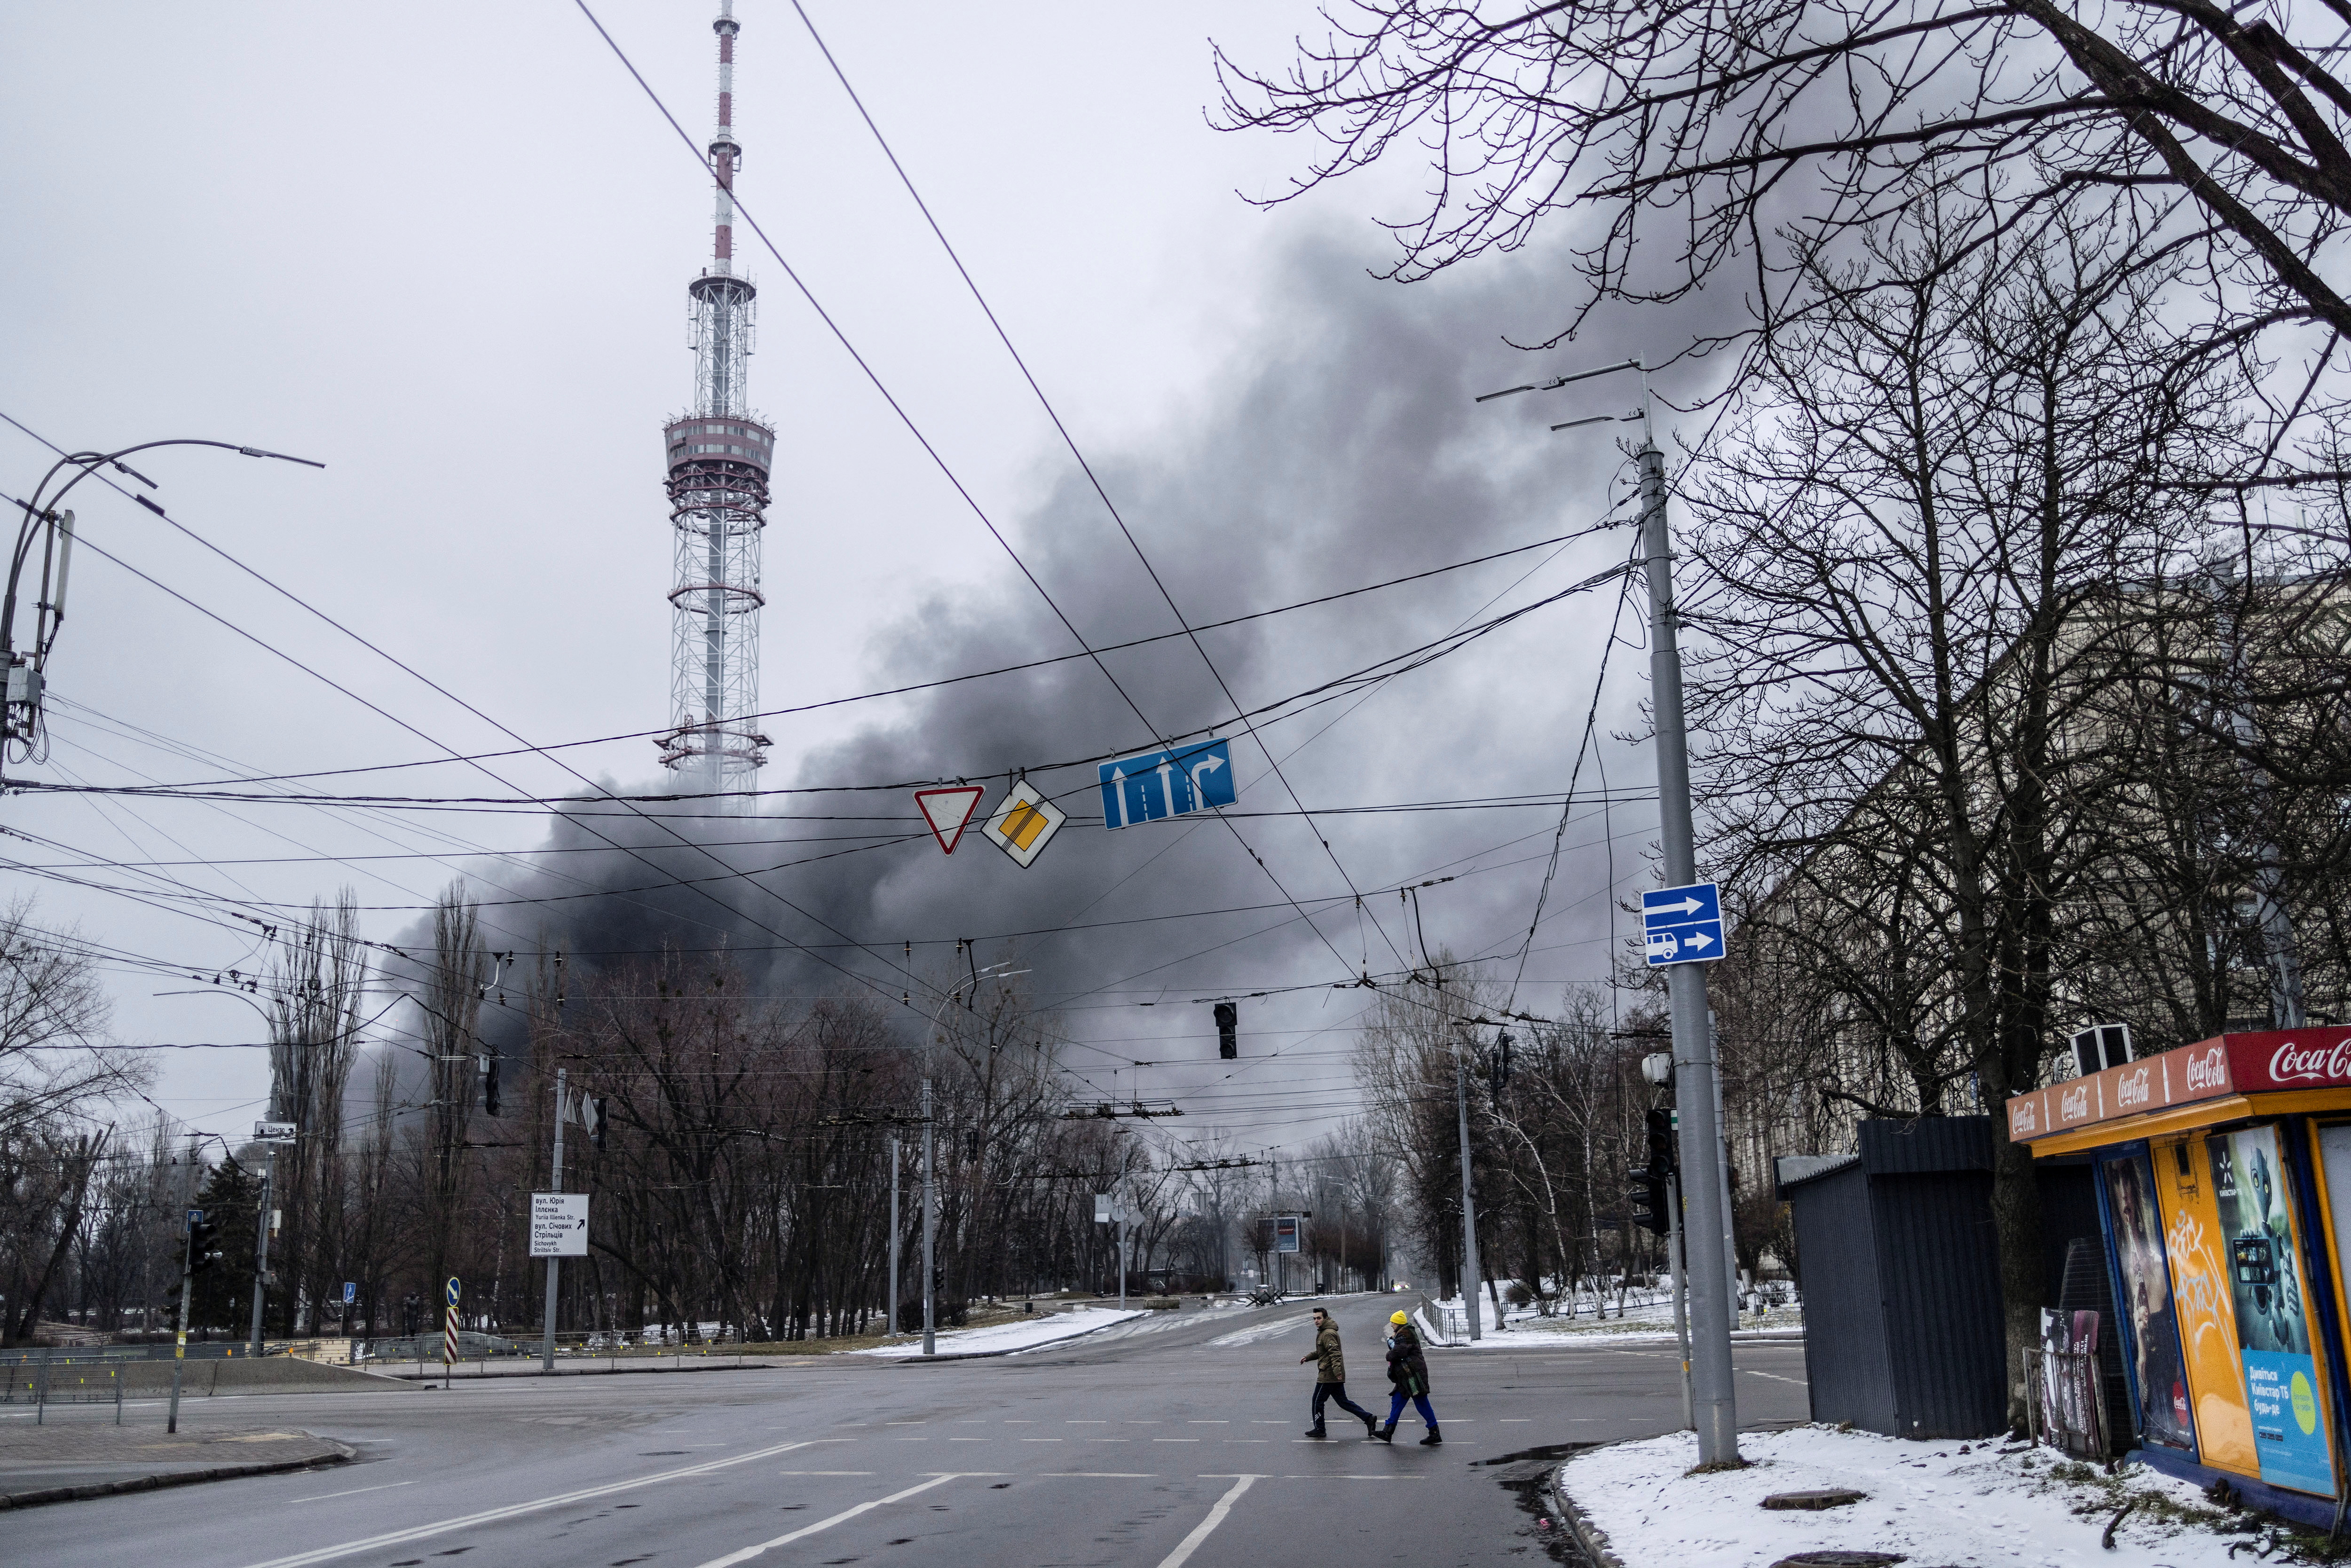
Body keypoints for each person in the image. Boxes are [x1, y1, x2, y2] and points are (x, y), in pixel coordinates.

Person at [1298, 1306, 1380, 1438]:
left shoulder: (1328, 1333)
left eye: (1319, 1318)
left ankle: (1320, 1429)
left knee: (1318, 1401)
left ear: (1325, 1318)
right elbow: (1321, 1352)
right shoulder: (1323, 1332)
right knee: (1343, 1402)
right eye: (1314, 1319)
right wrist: (1308, 1357)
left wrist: (1337, 1372)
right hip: (1331, 1373)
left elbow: (1335, 1354)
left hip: (1329, 1374)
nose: (1316, 1321)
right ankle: (1369, 1418)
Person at [1376, 1309, 1441, 1445]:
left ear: (1398, 1323)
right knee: (1398, 1401)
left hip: (1413, 1375)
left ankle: (1434, 1432)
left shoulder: (1405, 1334)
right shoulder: (1404, 1333)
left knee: (1421, 1403)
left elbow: (1399, 1352)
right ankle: (1388, 1431)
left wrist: (1389, 1354)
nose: (1392, 1325)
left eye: (1393, 1322)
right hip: (1407, 1375)